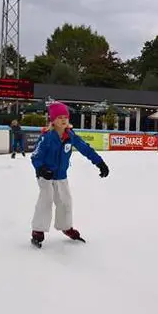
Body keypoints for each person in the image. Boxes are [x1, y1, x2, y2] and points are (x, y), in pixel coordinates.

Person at [30, 101, 109, 247]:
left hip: (61, 175)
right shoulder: (46, 137)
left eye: (65, 116)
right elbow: (35, 156)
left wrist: (99, 162)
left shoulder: (70, 136)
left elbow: (85, 149)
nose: (63, 119)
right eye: (59, 117)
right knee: (46, 200)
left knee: (65, 202)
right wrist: (41, 169)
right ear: (52, 120)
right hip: (45, 175)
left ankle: (66, 227)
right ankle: (38, 230)